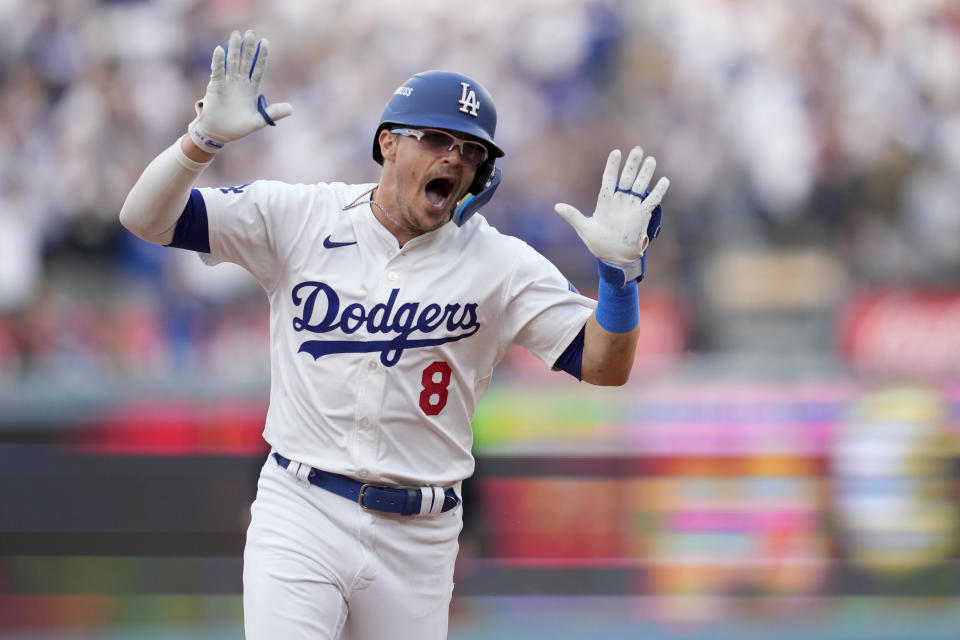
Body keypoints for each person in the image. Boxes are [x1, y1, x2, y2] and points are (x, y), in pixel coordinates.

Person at [120, 29, 669, 640]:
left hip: (421, 535)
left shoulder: (501, 263)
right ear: (388, 143)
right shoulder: (302, 216)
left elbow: (605, 364)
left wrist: (618, 281)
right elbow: (145, 218)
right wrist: (202, 140)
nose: (455, 159)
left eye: (471, 150)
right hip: (302, 506)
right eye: (436, 139)